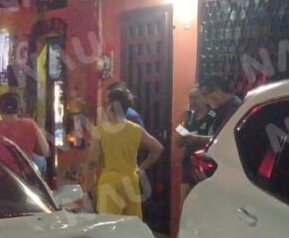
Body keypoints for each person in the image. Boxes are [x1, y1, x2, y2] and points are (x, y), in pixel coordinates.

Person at [87, 85, 164, 219]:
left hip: (109, 183)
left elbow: (92, 161)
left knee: (109, 226)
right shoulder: (136, 129)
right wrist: (141, 167)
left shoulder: (100, 131)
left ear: (111, 105)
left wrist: (88, 187)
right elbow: (158, 148)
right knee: (131, 226)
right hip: (130, 181)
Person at [0, 92, 49, 176]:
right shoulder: (30, 125)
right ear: (18, 108)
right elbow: (44, 151)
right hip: (25, 179)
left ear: (0, 109)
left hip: (0, 178)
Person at [177, 85, 215, 201]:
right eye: (190, 98)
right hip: (188, 165)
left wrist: (196, 138)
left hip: (204, 167)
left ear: (204, 98)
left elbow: (215, 140)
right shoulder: (189, 116)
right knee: (184, 204)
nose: (192, 101)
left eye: (196, 98)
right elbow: (178, 142)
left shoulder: (212, 116)